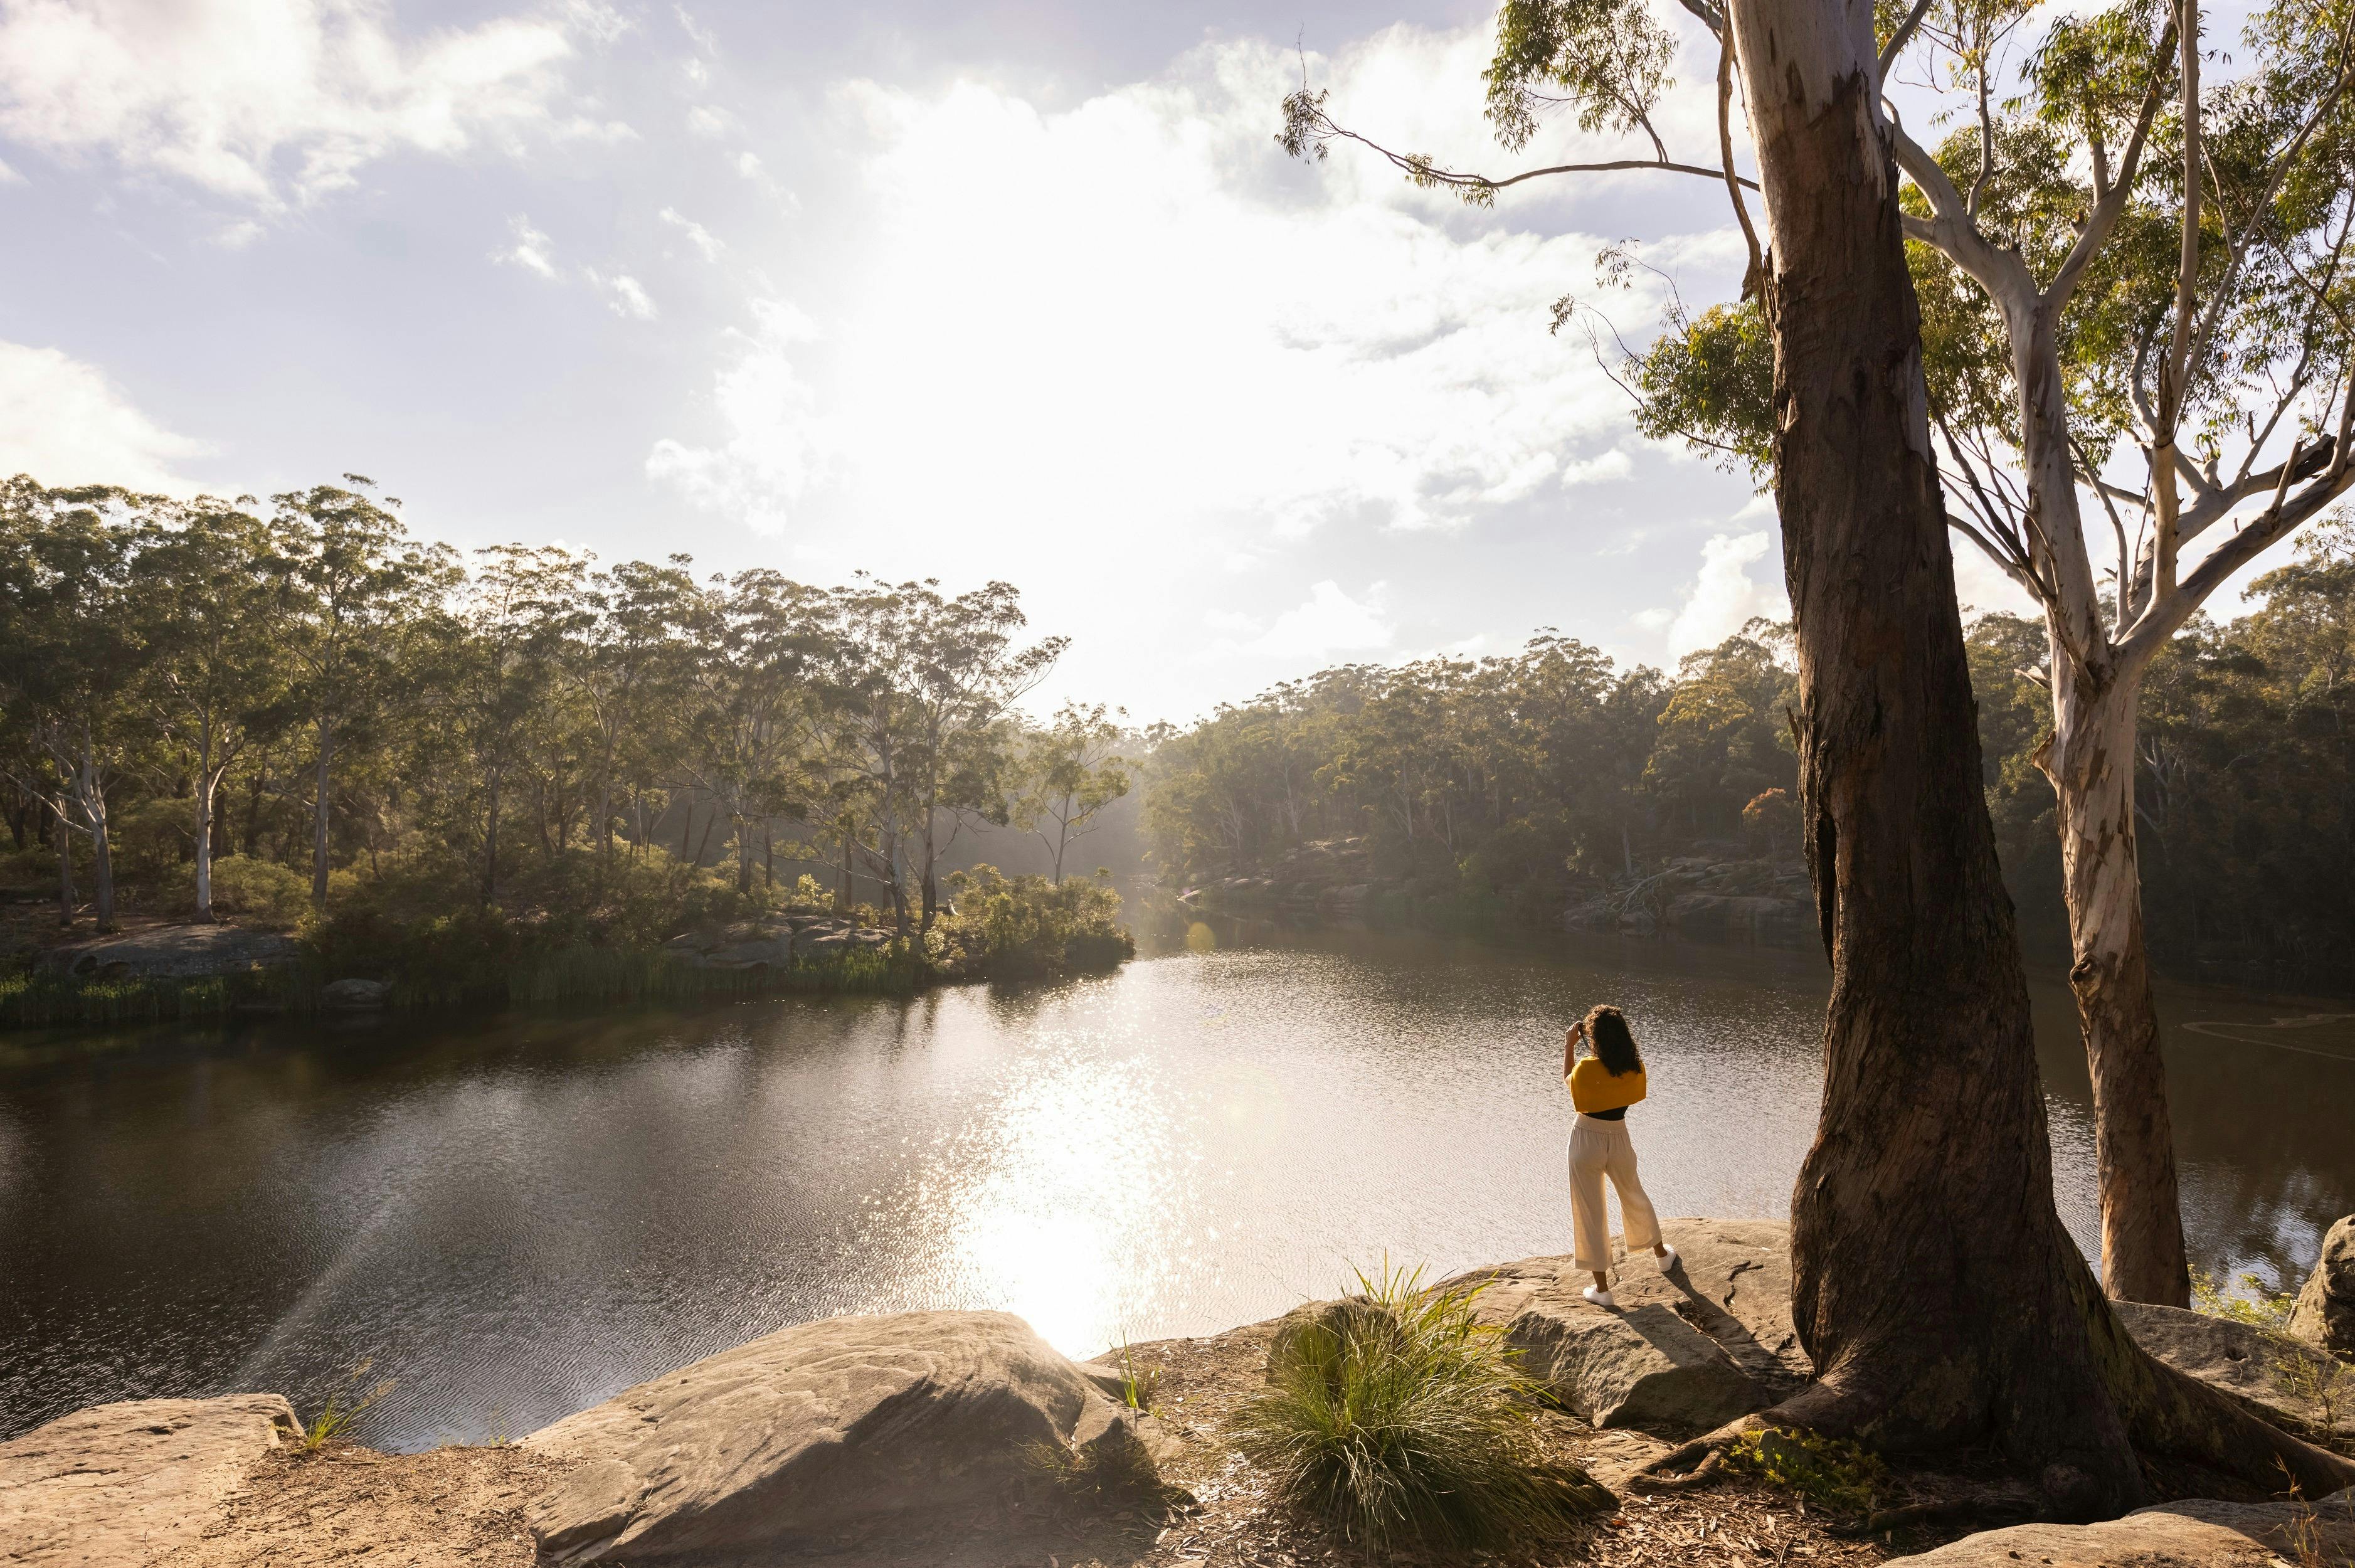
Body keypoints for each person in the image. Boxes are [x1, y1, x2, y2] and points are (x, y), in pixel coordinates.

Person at [1564, 1004, 1674, 1307]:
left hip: (1586, 1137)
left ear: (1594, 1038)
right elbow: (1633, 1094)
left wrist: (1570, 1045)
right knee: (1633, 1193)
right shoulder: (1634, 1066)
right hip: (1619, 1136)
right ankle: (1662, 1257)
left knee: (1590, 1209)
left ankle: (1603, 1290)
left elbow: (1570, 1086)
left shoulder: (1586, 1067)